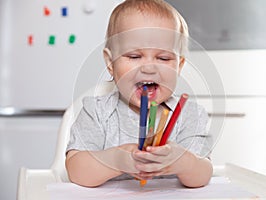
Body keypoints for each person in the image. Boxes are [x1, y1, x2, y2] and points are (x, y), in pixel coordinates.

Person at [65, 0, 213, 188]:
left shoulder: (190, 115)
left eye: (163, 58)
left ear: (179, 66)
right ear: (110, 63)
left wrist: (182, 162)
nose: (149, 67)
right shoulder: (96, 112)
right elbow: (75, 171)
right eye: (134, 56)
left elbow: (202, 175)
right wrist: (116, 160)